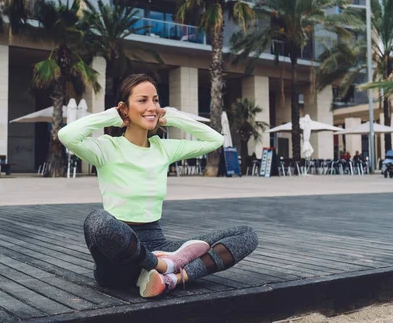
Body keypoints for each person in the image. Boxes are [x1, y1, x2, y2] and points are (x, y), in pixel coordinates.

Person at [58, 74, 258, 298]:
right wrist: (110, 117)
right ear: (124, 109)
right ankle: (162, 267)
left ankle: (173, 278)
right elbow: (67, 135)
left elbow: (215, 140)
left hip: (157, 242)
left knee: (246, 235)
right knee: (97, 221)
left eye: (155, 100)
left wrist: (173, 117)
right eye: (142, 100)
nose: (152, 107)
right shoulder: (107, 148)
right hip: (117, 258)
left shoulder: (162, 148)